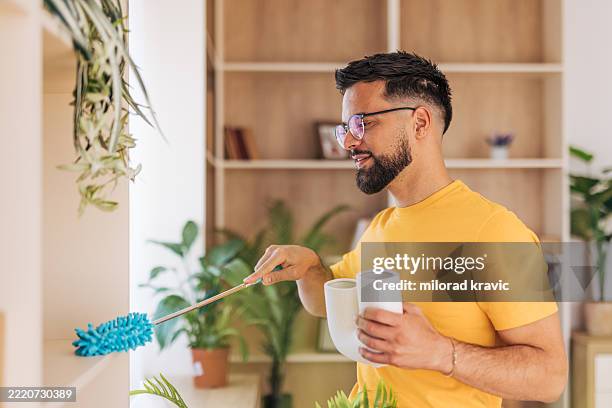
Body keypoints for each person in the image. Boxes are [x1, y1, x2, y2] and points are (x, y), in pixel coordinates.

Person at [244, 51, 567, 407]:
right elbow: (326, 303)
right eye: (345, 129)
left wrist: (440, 353)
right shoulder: (380, 228)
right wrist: (309, 268)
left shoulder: (494, 231)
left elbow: (550, 378)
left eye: (362, 123)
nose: (349, 142)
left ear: (420, 123)